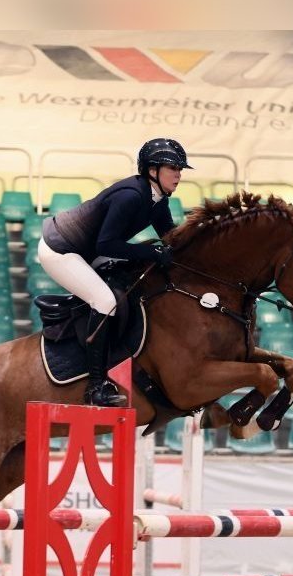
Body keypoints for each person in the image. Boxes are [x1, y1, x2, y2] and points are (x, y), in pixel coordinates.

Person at [37, 138, 190, 406]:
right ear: (152, 170)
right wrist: (150, 252)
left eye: (180, 170)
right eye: (172, 168)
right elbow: (106, 244)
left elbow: (171, 240)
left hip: (88, 250)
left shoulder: (157, 200)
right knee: (105, 301)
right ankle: (96, 386)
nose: (178, 175)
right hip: (61, 250)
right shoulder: (131, 196)